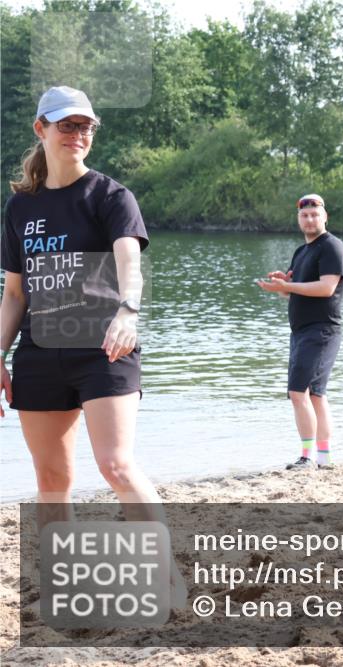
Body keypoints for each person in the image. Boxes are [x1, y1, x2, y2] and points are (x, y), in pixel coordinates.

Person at [0, 86, 185, 604]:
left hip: (105, 348)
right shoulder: (20, 207)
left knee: (116, 465)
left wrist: (129, 311)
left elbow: (130, 265)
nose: (78, 134)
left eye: (86, 126)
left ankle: (168, 578)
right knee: (51, 478)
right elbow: (14, 294)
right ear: (41, 129)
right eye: (67, 125)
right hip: (39, 353)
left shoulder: (110, 196)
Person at [257, 194, 343, 470]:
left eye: (314, 215)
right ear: (298, 218)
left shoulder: (332, 246)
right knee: (316, 395)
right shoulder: (301, 251)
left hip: (321, 330)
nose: (309, 220)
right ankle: (324, 458)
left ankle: (307, 457)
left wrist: (289, 286)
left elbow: (326, 288)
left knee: (298, 393)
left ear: (324, 217)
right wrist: (281, 285)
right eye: (304, 215)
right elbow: (293, 293)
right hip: (301, 332)